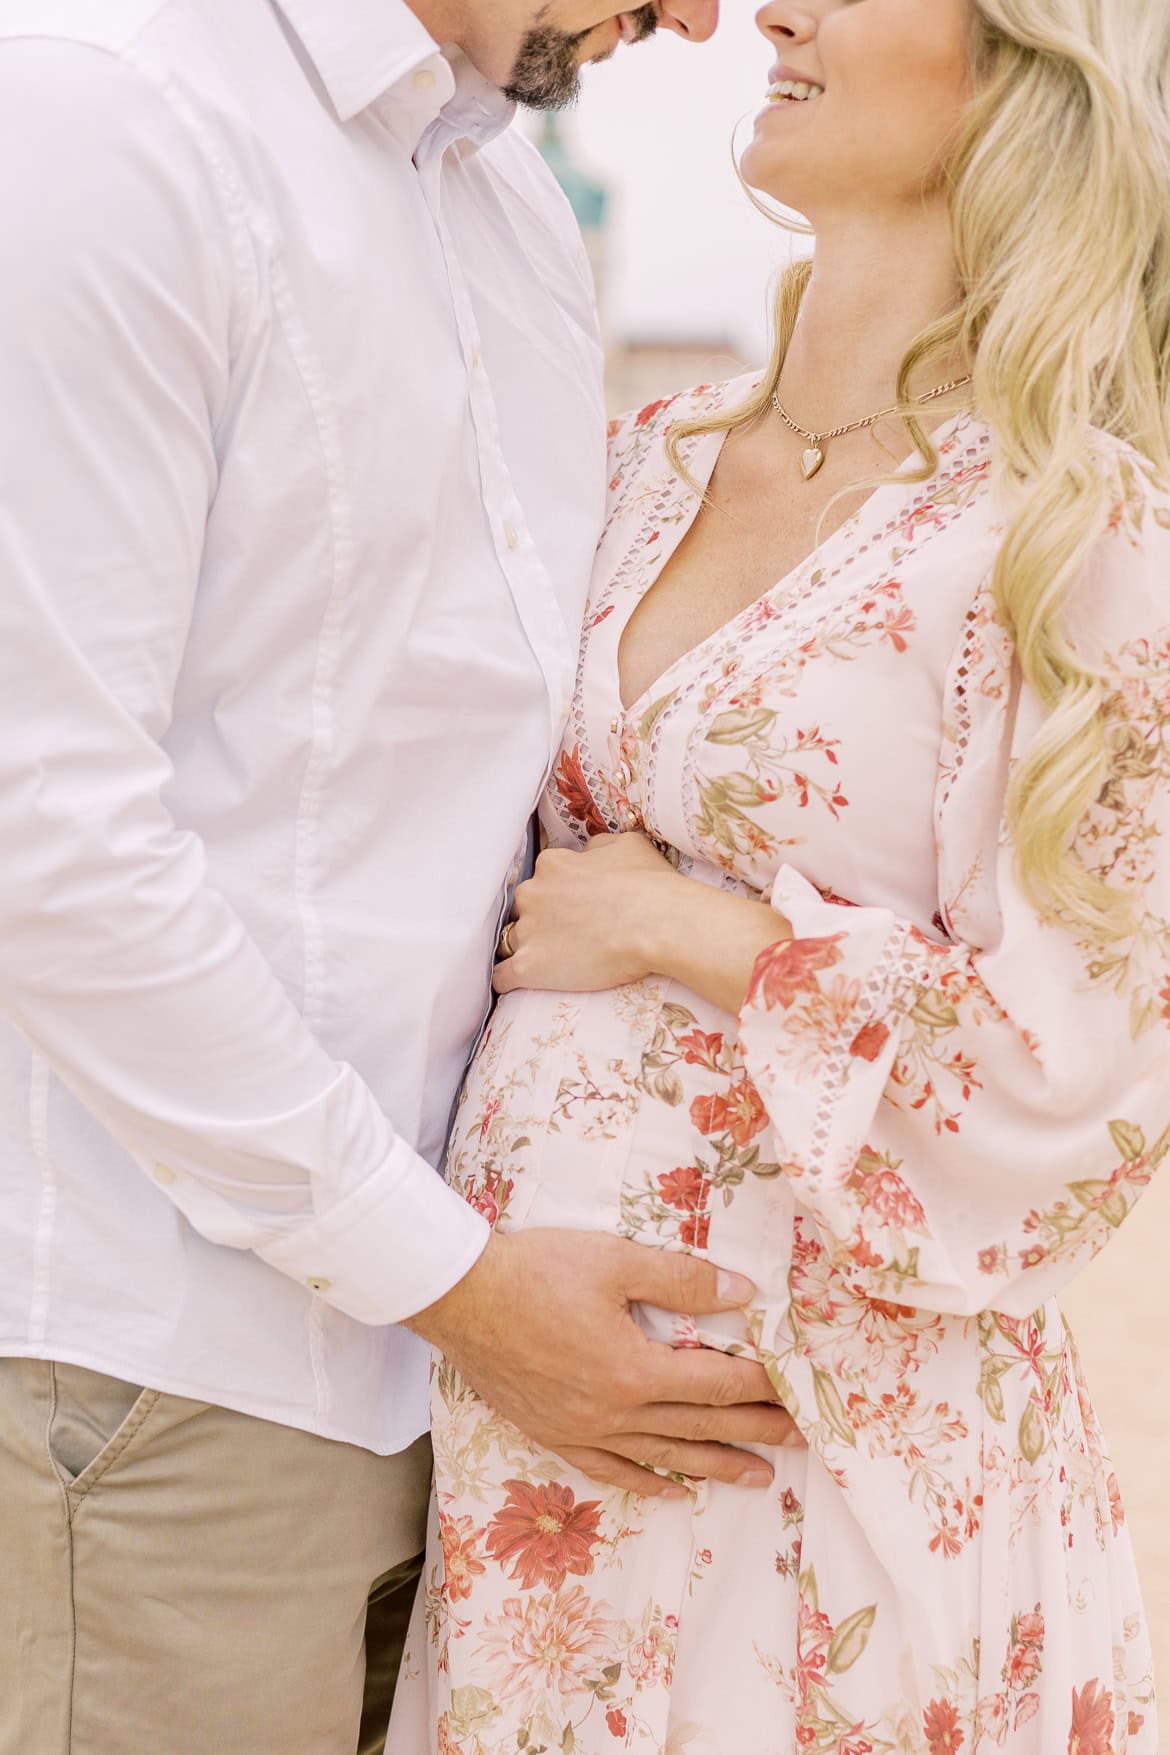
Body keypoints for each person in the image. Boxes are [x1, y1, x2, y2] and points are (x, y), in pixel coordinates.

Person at [0, 4, 811, 1752]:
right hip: (154, 1378)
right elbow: (39, 832)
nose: (694, 16)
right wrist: (449, 1277)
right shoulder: (100, 118)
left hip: (444, 1377)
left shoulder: (507, 205)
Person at [389, 0, 1170, 1749]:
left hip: (827, 1455)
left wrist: (701, 931)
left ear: (1022, 66)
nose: (771, 10)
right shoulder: (644, 462)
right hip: (529, 1435)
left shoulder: (1073, 539)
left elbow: (1086, 1090)